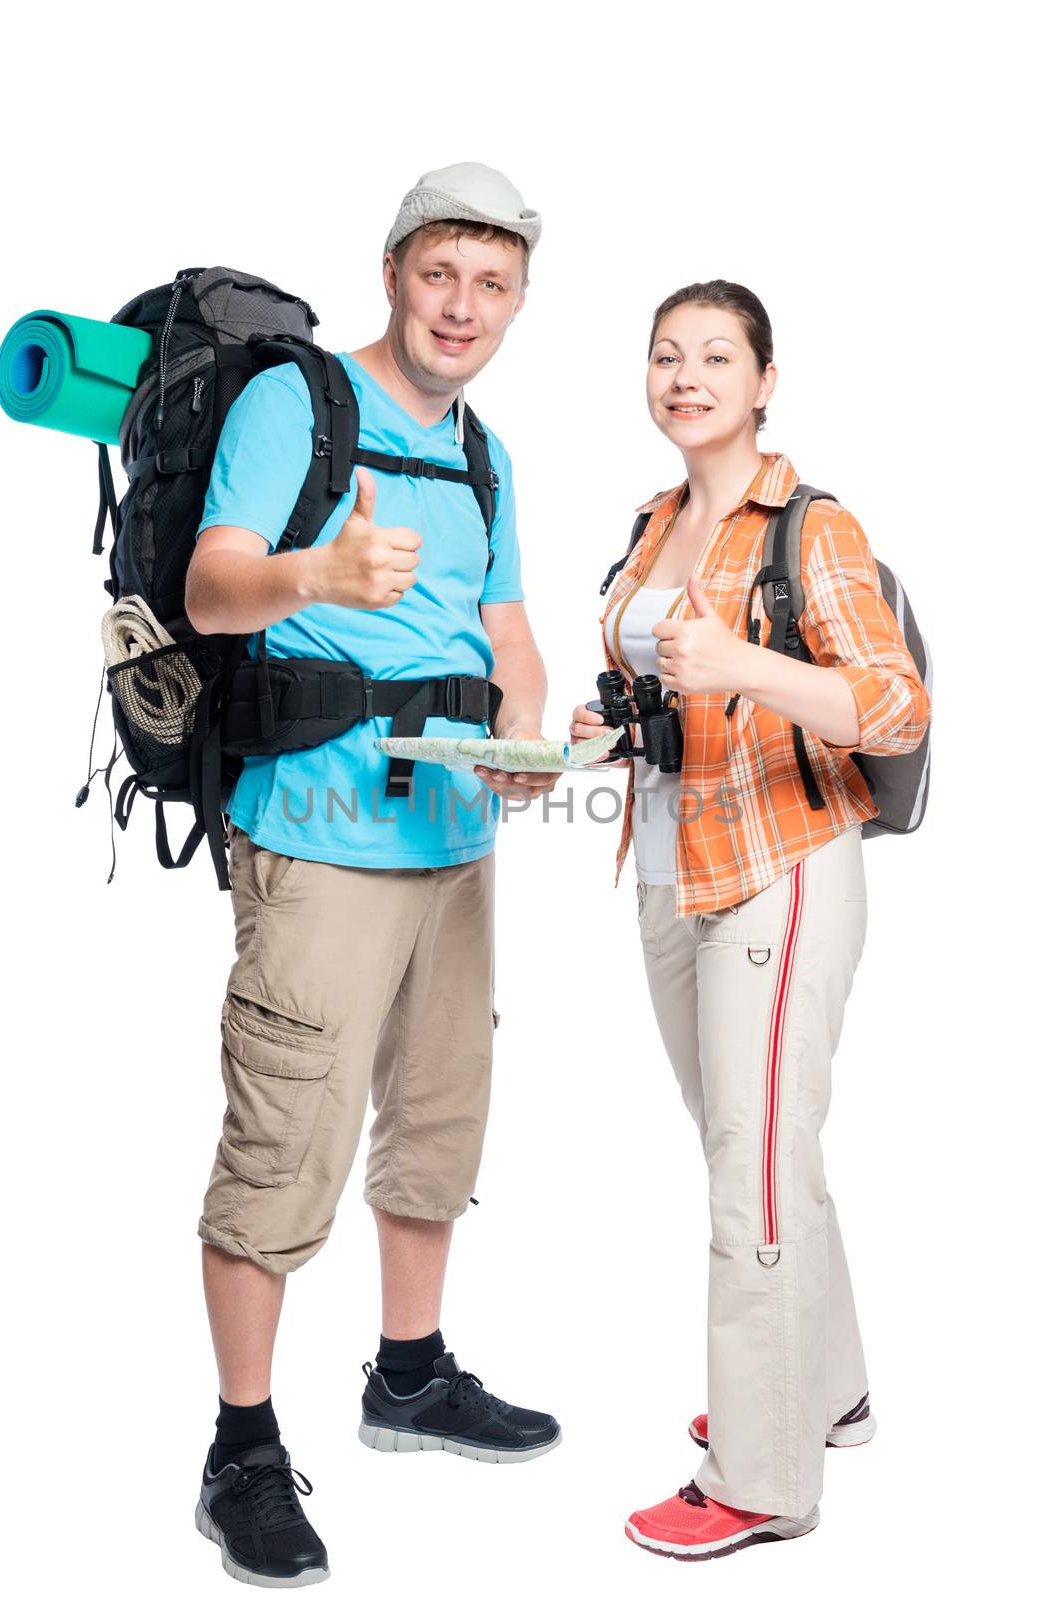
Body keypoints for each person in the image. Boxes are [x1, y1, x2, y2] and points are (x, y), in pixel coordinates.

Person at [185, 163, 563, 1588]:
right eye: (439, 276)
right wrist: (317, 580)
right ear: (394, 271)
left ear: (517, 303)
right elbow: (214, 588)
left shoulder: (484, 451)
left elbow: (507, 624)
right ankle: (241, 1449)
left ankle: (408, 1373)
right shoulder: (297, 403)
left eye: (492, 286)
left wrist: (527, 736)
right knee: (285, 1142)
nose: (462, 307)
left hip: (456, 840)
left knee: (440, 1119)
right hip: (316, 838)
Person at [570, 280, 931, 1561]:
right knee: (755, 1142)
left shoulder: (811, 525)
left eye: (716, 355)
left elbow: (894, 706)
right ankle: (823, 1386)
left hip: (785, 862)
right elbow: (650, 687)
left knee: (755, 1163)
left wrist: (750, 670)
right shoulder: (654, 521)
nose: (687, 376)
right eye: (667, 355)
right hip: (670, 863)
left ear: (764, 378)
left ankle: (763, 1473)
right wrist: (600, 730)